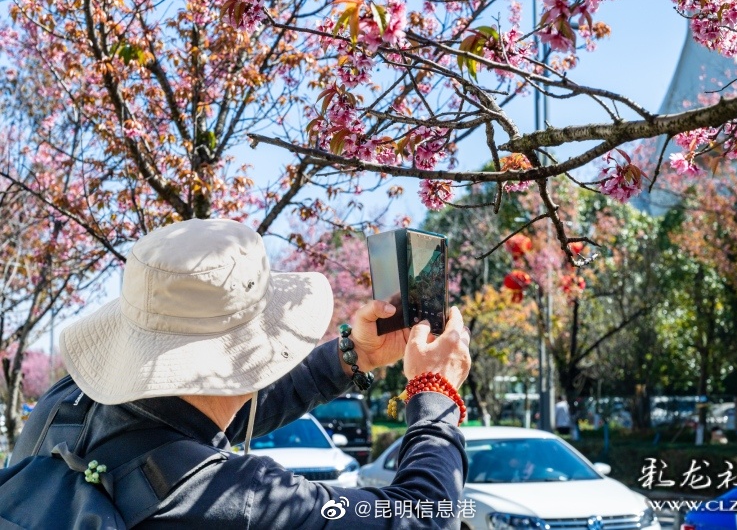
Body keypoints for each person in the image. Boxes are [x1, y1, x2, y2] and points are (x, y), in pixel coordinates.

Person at [11, 219, 472, 528]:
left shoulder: (65, 403)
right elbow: (423, 516)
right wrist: (435, 391)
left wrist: (353, 358)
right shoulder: (236, 498)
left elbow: (220, 408)